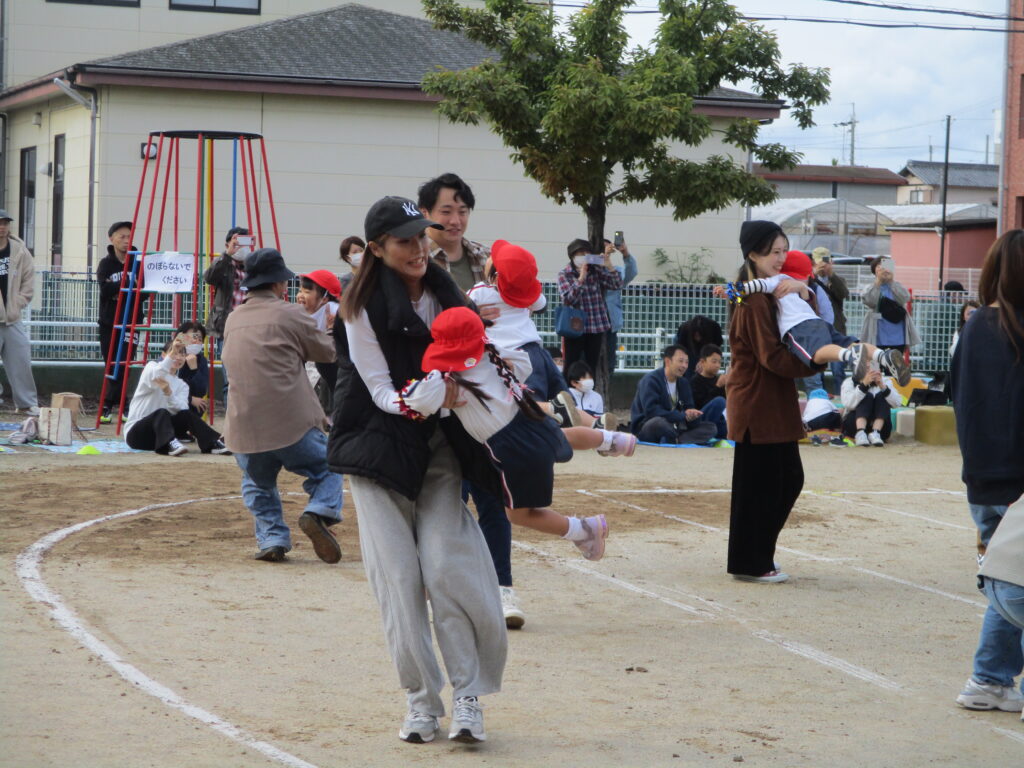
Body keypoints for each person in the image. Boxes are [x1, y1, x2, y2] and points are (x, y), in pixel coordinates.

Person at [328, 196, 507, 744]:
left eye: (419, 237)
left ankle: (469, 696)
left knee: (449, 568)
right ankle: (421, 703)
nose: (418, 248)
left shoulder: (448, 296)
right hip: (377, 451)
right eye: (403, 240)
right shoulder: (358, 309)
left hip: (438, 448)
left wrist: (465, 387)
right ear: (376, 249)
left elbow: (479, 366)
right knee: (399, 581)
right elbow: (380, 391)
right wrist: (423, 398)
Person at [400, 308, 626, 559]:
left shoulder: (448, 381)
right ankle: (613, 440)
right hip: (530, 421)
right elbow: (524, 365)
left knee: (519, 514)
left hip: (512, 446)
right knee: (565, 437)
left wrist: (408, 388)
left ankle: (583, 530)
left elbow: (414, 401)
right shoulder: (496, 354)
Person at [419, 174, 524, 630]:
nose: (455, 220)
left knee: (493, 497)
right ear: (426, 213)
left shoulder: (485, 259)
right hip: (442, 398)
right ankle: (441, 592)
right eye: (446, 211)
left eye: (462, 211)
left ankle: (502, 589)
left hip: (487, 399)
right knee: (445, 500)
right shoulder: (418, 260)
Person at [222, 248, 343, 565]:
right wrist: (332, 330)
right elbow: (327, 353)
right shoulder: (290, 314)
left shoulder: (233, 319)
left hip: (243, 425)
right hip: (291, 421)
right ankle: (319, 511)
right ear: (279, 284)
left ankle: (272, 538)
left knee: (257, 483)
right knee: (328, 467)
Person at [950, 229, 1024, 716]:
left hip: (982, 478)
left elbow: (961, 400)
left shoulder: (975, 326)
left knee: (1008, 576)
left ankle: (990, 679)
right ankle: (990, 678)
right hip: (1018, 480)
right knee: (1014, 581)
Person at [725, 220, 820, 584]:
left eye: (784, 251)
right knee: (764, 485)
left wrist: (805, 292)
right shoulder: (753, 299)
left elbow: (806, 325)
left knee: (782, 480)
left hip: (771, 399)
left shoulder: (767, 290)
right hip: (757, 401)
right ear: (753, 254)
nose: (781, 259)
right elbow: (772, 357)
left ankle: (755, 557)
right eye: (774, 252)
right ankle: (752, 561)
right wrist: (817, 360)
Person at [723, 250, 911, 387]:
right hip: (820, 323)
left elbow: (753, 286)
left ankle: (849, 356)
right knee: (851, 342)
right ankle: (883, 356)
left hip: (798, 327)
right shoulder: (807, 288)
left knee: (817, 354)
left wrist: (731, 292)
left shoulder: (777, 280)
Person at [466, 240, 585, 430]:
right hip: (538, 353)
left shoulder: (480, 292)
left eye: (492, 258)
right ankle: (591, 424)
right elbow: (542, 306)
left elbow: (462, 310)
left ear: (496, 277)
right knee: (561, 395)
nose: (488, 258)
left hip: (513, 357)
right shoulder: (528, 292)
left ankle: (553, 426)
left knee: (531, 404)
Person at [123, 336, 229, 457]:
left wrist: (169, 393)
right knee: (161, 412)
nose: (178, 357)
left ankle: (213, 443)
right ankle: (169, 444)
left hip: (160, 436)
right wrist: (172, 352)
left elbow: (182, 409)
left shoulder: (182, 385)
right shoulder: (151, 367)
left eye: (182, 354)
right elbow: (157, 374)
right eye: (174, 353)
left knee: (186, 414)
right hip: (136, 435)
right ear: (164, 355)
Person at [629, 345, 725, 444]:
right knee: (658, 423)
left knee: (711, 428)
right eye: (680, 361)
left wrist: (691, 415)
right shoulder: (651, 380)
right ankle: (675, 438)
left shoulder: (683, 383)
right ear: (668, 361)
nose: (684, 366)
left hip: (676, 426)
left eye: (686, 362)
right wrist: (681, 415)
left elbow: (688, 408)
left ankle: (676, 439)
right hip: (648, 425)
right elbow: (651, 411)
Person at [558, 238, 623, 383]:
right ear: (572, 256)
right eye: (580, 253)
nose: (583, 256)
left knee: (591, 365)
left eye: (586, 253)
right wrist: (581, 278)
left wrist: (609, 265)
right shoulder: (565, 274)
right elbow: (569, 299)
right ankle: (568, 391)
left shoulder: (596, 270)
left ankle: (588, 392)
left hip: (595, 325)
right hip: (574, 326)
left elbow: (616, 284)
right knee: (571, 364)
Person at [96, 220, 140, 422]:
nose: (126, 240)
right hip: (109, 322)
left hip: (131, 322)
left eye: (129, 236)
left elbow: (143, 291)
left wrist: (120, 287)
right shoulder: (105, 264)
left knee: (124, 363)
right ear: (111, 239)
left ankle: (109, 404)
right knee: (111, 363)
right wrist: (128, 283)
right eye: (122, 236)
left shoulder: (138, 262)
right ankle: (123, 404)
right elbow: (105, 290)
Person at [203, 226, 251, 402]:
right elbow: (209, 278)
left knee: (250, 376)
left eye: (245, 242)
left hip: (250, 326)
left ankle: (247, 413)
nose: (241, 247)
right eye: (237, 242)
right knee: (229, 377)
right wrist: (227, 255)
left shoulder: (253, 266)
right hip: (227, 326)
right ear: (227, 245)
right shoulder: (224, 265)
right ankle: (230, 413)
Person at [0, 209, 39, 416]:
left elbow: (28, 279)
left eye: (5, 223)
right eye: (0, 223)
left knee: (21, 360)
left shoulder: (19, 250)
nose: (2, 227)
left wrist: (19, 302)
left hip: (12, 317)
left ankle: (25, 404)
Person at [296, 269, 341, 414]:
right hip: (322, 361)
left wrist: (333, 329)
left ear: (325, 298)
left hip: (338, 364)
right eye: (300, 291)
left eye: (307, 292)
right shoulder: (301, 313)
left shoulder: (333, 311)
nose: (301, 295)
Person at [810, 247, 850, 393]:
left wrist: (831, 275)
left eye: (826, 261)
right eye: (819, 261)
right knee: (817, 369)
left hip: (836, 329)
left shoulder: (837, 280)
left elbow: (843, 294)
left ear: (831, 262)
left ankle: (842, 396)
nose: (823, 265)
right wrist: (814, 275)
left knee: (838, 369)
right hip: (816, 330)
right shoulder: (810, 280)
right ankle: (820, 396)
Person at [860, 257, 921, 353]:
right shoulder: (870, 287)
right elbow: (870, 301)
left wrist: (891, 281)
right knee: (876, 360)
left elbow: (905, 297)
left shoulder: (896, 286)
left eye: (887, 266)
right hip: (877, 333)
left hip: (898, 334)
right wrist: (878, 282)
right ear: (874, 270)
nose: (884, 269)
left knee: (895, 360)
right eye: (880, 267)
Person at [840, 364, 901, 446]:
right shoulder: (849, 382)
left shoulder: (885, 381)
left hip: (881, 430)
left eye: (874, 367)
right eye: (867, 368)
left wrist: (882, 386)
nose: (871, 371)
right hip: (854, 426)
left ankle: (876, 432)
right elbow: (848, 404)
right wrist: (863, 386)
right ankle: (860, 433)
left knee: (882, 395)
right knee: (867, 396)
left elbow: (897, 403)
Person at [603, 234, 638, 372]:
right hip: (590, 324)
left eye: (606, 247)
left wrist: (625, 253)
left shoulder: (616, 271)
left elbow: (632, 272)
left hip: (610, 323)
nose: (604, 250)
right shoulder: (587, 268)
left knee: (609, 362)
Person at [174, 320, 210, 421]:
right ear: (181, 338)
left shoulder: (201, 360)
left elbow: (201, 390)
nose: (196, 342)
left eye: (200, 339)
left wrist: (194, 369)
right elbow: (169, 388)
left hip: (191, 409)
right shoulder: (172, 357)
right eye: (193, 337)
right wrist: (190, 399)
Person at [674, 315, 723, 383]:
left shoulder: (714, 327)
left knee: (707, 368)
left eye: (699, 335)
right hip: (686, 345)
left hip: (709, 346)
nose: (698, 338)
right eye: (696, 335)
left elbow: (717, 345)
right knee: (688, 368)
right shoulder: (685, 328)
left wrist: (703, 360)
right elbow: (680, 348)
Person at [691, 344, 727, 411]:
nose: (717, 365)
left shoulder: (719, 380)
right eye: (714, 361)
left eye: (719, 362)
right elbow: (702, 405)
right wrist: (718, 386)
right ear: (703, 362)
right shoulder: (695, 381)